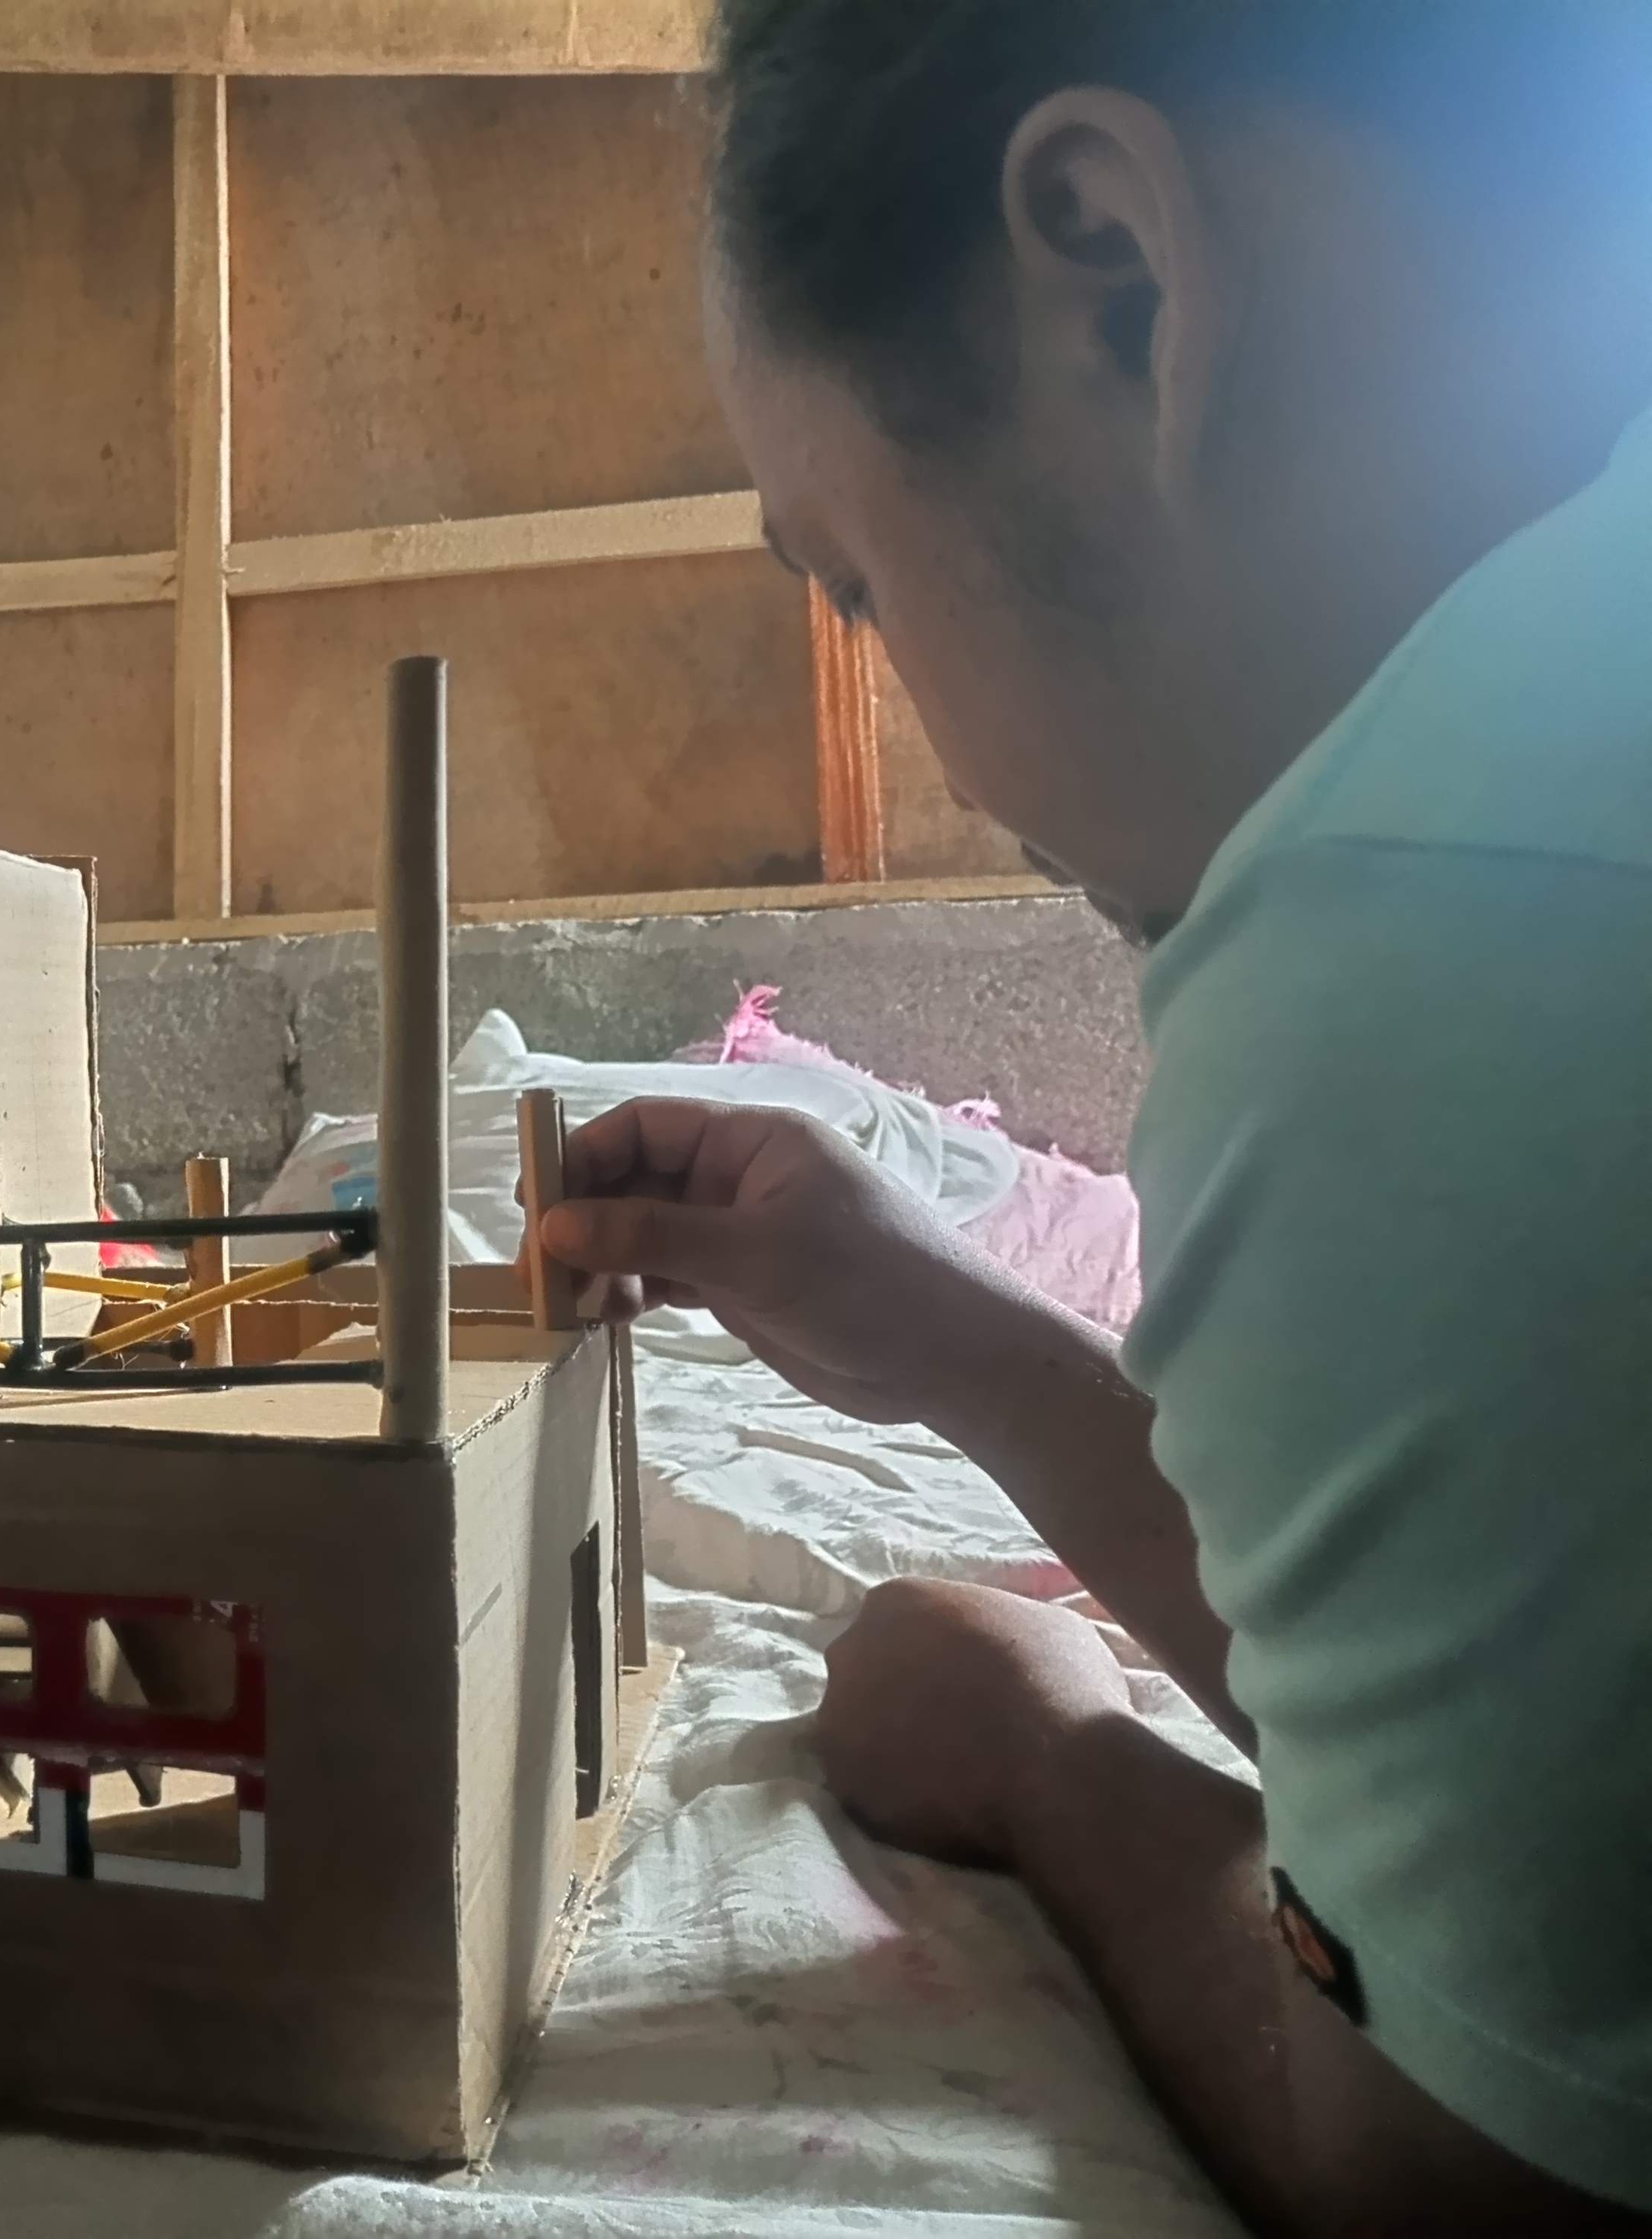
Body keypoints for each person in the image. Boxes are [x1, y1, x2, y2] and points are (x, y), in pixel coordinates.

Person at [539, 5, 1652, 2231]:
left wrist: (1050, 1751)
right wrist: (967, 1348)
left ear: (1120, 276)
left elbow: (1458, 2166)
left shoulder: (1419, 906)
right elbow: (1532, 1745)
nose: (952, 769)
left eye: (854, 578)